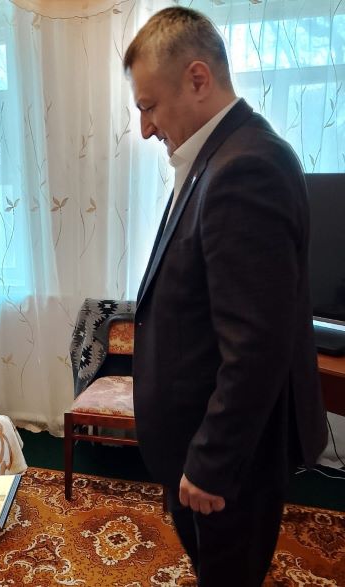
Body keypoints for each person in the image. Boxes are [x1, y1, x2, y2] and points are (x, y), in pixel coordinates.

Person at [124, 7, 327, 586]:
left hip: (228, 461)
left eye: (149, 106)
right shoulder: (216, 156)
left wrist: (212, 461)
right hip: (201, 444)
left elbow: (256, 345)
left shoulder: (247, 167)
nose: (146, 129)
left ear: (197, 79)